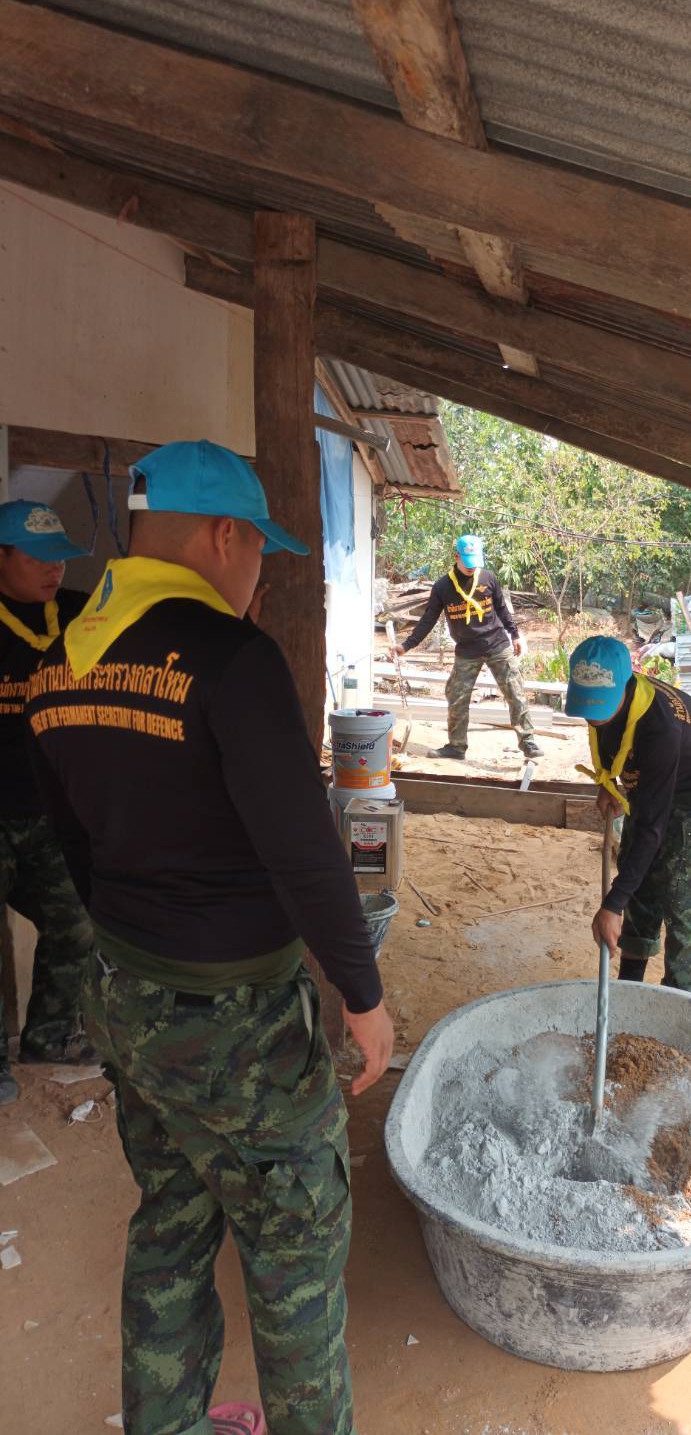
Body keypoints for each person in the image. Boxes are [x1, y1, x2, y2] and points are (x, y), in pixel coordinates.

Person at [25, 440, 393, 1435]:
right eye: (259, 547)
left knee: (172, 1219)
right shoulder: (232, 658)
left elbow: (71, 839)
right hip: (239, 1016)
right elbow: (306, 852)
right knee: (295, 1252)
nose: (258, 570)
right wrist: (363, 998)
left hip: (127, 996)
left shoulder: (60, 663)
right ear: (223, 535)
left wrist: (133, 937)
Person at [567, 636, 691, 995]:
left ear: (625, 686)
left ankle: (681, 995)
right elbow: (608, 738)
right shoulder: (612, 704)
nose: (593, 715)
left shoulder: (661, 727)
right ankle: (630, 986)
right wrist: (608, 784)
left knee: (681, 884)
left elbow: (652, 828)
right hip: (652, 778)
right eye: (587, 705)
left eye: (600, 705)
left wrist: (611, 906)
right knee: (635, 870)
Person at [0, 500, 95, 1105]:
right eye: (37, 556)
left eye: (59, 556)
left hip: (49, 812)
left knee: (78, 922)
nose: (53, 568)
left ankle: (51, 1036)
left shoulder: (81, 614)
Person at [394, 533, 540, 761]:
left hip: (497, 644)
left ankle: (528, 741)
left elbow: (502, 609)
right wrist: (406, 645)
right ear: (457, 557)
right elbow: (428, 620)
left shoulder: (488, 578)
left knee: (515, 691)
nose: (472, 567)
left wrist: (515, 635)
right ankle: (456, 746)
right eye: (467, 562)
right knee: (456, 696)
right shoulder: (443, 586)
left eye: (475, 562)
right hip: (467, 650)